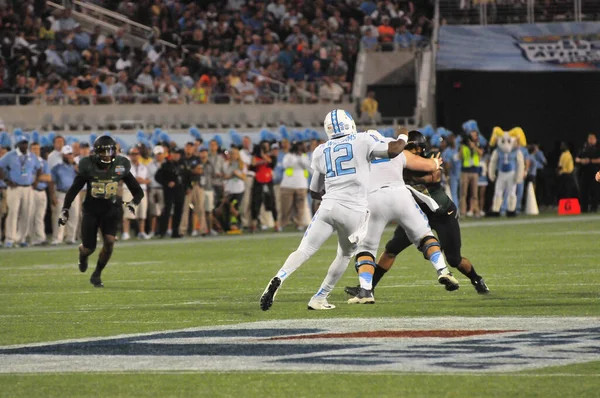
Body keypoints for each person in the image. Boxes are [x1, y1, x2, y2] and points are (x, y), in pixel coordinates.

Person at [259, 109, 407, 311]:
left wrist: (333, 193)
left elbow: (313, 190)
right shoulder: (363, 139)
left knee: (304, 250)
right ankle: (319, 297)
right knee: (345, 255)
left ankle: (279, 277)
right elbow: (394, 150)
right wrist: (403, 134)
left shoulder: (321, 150)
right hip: (354, 209)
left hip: (328, 206)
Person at [313, 128, 457, 308]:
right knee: (424, 235)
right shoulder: (395, 148)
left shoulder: (359, 150)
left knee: (366, 248)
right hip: (400, 195)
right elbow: (426, 165)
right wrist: (435, 163)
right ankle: (442, 270)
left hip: (373, 199)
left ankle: (366, 290)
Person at [345, 131, 489, 299]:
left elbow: (433, 176)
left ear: (421, 148)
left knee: (454, 259)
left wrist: (404, 174)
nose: (410, 150)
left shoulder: (426, 158)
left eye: (413, 147)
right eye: (408, 147)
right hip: (415, 213)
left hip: (442, 214)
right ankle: (369, 287)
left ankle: (476, 279)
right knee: (391, 250)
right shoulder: (400, 158)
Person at [57, 136, 144, 288]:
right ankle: (82, 254)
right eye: (103, 151)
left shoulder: (120, 165)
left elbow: (138, 191)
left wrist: (133, 202)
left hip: (111, 209)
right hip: (91, 209)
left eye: (110, 151)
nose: (107, 155)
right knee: (89, 248)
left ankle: (97, 274)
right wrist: (65, 208)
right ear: (96, 152)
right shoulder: (88, 165)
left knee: (109, 242)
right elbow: (74, 189)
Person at [0, 136, 42, 248]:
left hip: (28, 188)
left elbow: (39, 168)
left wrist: (36, 181)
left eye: (25, 143)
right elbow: (0, 166)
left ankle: (21, 238)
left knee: (26, 213)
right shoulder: (10, 155)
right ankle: (10, 238)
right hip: (14, 188)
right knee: (13, 212)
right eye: (22, 143)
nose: (24, 145)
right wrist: (6, 181)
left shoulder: (31, 156)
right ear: (17, 144)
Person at [50, 145, 80, 245]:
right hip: (61, 193)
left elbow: (82, 174)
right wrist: (53, 195)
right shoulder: (57, 167)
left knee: (74, 215)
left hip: (74, 194)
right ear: (63, 155)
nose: (69, 156)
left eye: (70, 154)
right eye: (67, 154)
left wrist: (74, 163)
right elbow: (52, 182)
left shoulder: (75, 166)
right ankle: (57, 238)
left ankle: (70, 237)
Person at [279, 140, 310, 230]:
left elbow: (307, 166)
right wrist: (296, 159)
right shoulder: (288, 156)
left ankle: (299, 223)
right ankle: (283, 224)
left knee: (300, 207)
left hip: (301, 185)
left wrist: (300, 158)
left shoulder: (305, 157)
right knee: (286, 207)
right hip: (288, 185)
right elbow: (286, 165)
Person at [249, 140, 279, 232]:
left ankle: (276, 224)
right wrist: (260, 156)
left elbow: (271, 163)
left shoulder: (272, 157)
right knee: (255, 202)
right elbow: (253, 165)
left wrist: (262, 156)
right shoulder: (255, 157)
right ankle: (253, 224)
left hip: (268, 181)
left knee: (272, 202)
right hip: (258, 181)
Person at [122, 147, 150, 240]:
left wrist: (143, 181)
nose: (134, 156)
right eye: (132, 154)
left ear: (139, 155)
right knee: (128, 213)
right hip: (129, 190)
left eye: (136, 154)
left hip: (142, 190)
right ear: (129, 155)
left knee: (142, 214)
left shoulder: (144, 167)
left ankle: (141, 232)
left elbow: (149, 179)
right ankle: (126, 232)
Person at [156, 147, 185, 238]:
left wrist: (188, 186)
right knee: (167, 211)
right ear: (171, 154)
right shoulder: (166, 165)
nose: (177, 155)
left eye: (178, 154)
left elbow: (187, 176)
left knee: (179, 211)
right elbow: (158, 177)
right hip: (169, 191)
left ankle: (175, 231)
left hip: (180, 190)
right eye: (175, 153)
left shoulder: (182, 164)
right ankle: (162, 231)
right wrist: (167, 183)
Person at [178, 142, 205, 237]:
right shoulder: (182, 160)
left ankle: (202, 229)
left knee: (200, 208)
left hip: (196, 185)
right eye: (187, 147)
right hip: (186, 186)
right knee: (185, 209)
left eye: (190, 147)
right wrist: (191, 170)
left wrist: (188, 170)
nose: (188, 149)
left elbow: (199, 170)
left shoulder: (197, 159)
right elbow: (181, 172)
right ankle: (182, 230)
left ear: (193, 149)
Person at [29, 142, 52, 246]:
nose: (35, 150)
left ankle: (40, 237)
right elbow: (26, 177)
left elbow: (48, 178)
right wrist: (40, 177)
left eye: (37, 149)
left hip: (42, 191)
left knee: (40, 215)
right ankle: (33, 238)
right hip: (31, 191)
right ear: (30, 150)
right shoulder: (27, 162)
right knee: (30, 215)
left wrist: (36, 178)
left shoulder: (43, 162)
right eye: (33, 148)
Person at [222, 147, 247, 232]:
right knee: (229, 207)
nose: (233, 156)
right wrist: (231, 175)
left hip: (239, 189)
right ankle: (232, 224)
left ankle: (238, 223)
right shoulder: (226, 164)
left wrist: (237, 174)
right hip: (229, 189)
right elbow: (224, 176)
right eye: (232, 154)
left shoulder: (242, 165)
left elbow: (244, 177)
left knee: (235, 207)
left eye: (235, 154)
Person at [459, 130, 483, 217]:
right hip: (465, 171)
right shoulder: (464, 146)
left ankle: (476, 211)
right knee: (463, 193)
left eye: (474, 135)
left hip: (474, 171)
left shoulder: (478, 144)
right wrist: (462, 146)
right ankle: (463, 212)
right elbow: (460, 156)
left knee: (475, 194)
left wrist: (474, 147)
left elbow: (481, 154)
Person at [575, 134, 600, 213]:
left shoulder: (598, 149)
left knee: (595, 191)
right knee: (583, 191)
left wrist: (590, 161)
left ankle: (594, 208)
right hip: (584, 173)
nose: (591, 140)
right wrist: (582, 161)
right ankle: (584, 208)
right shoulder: (583, 148)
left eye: (592, 138)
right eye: (590, 138)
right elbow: (576, 159)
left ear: (596, 140)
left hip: (595, 172)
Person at [147, 145, 166, 237]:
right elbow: (148, 177)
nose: (158, 156)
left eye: (160, 154)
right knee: (154, 212)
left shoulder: (167, 164)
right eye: (157, 154)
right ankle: (153, 231)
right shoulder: (150, 165)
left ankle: (166, 230)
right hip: (154, 188)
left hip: (164, 189)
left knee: (166, 211)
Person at [198, 148, 217, 236]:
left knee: (209, 210)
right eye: (202, 153)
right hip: (200, 189)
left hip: (209, 189)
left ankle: (210, 229)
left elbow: (213, 175)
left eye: (205, 153)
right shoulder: (197, 163)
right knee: (200, 210)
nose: (203, 155)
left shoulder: (210, 164)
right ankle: (201, 229)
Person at [442, 133, 461, 207]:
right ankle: (456, 210)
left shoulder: (459, 149)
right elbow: (447, 165)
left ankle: (462, 210)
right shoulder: (447, 152)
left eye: (453, 139)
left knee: (462, 194)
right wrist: (447, 176)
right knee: (454, 193)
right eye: (451, 139)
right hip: (453, 174)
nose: (453, 140)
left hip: (462, 173)